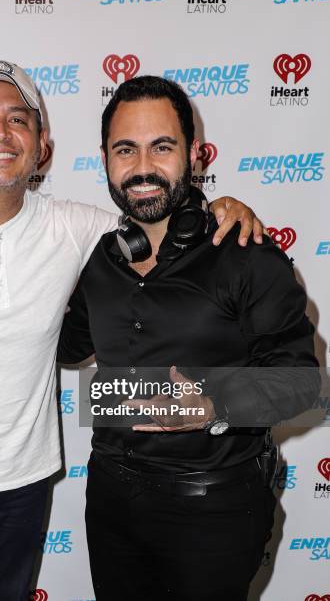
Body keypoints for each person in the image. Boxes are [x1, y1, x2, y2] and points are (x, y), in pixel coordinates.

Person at [0, 61, 261, 601]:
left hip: (25, 484)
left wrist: (218, 206)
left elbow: (157, 215)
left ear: (42, 147)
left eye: (19, 119)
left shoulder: (76, 227)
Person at [57, 75, 320, 601]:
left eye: (163, 147)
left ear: (195, 155)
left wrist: (216, 401)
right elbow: (65, 347)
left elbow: (302, 383)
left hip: (213, 510)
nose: (143, 168)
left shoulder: (247, 254)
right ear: (104, 157)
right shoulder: (99, 260)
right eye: (125, 149)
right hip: (110, 498)